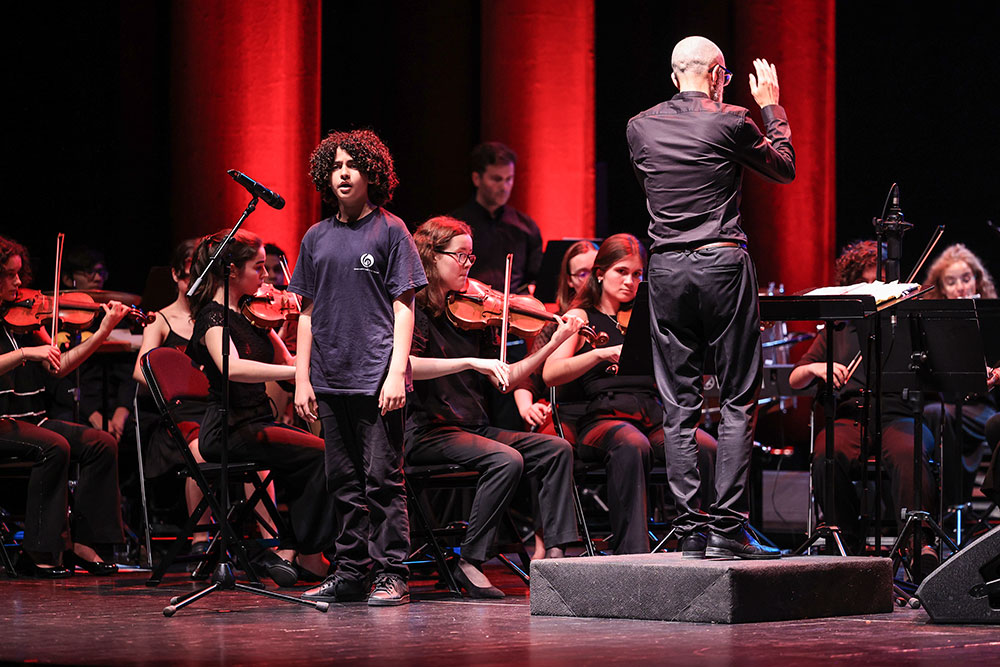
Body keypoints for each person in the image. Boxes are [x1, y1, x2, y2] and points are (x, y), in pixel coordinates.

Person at [627, 36, 795, 559]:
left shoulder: (639, 126)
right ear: (720, 74)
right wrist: (772, 107)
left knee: (678, 404)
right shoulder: (733, 119)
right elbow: (784, 167)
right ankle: (726, 529)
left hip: (666, 269)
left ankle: (690, 529)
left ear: (674, 75)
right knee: (738, 397)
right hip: (721, 264)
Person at [406, 215, 581, 597]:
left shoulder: (478, 314)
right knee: (506, 459)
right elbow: (407, 366)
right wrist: (469, 361)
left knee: (555, 448)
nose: (470, 266)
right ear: (431, 256)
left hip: (471, 427)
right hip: (424, 429)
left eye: (472, 257)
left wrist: (551, 343)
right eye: (461, 257)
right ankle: (469, 560)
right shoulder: (413, 309)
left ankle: (555, 556)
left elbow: (506, 379)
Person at [291, 129, 426, 607]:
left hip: (375, 374)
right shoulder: (315, 236)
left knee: (383, 480)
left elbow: (404, 305)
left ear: (372, 173)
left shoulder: (391, 230)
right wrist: (301, 378)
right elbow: (305, 312)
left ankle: (392, 572)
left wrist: (395, 372)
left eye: (352, 165)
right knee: (343, 481)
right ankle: (350, 571)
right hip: (329, 377)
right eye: (335, 166)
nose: (343, 173)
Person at [543, 234, 717, 554]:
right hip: (603, 418)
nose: (630, 281)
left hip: (651, 413)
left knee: (703, 445)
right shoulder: (581, 317)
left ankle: (702, 536)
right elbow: (551, 371)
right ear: (600, 273)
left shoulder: (648, 317)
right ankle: (632, 553)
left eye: (637, 274)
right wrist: (599, 354)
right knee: (631, 444)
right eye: (621, 272)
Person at [185, 229, 335, 587]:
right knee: (319, 455)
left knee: (323, 452)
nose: (267, 276)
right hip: (228, 430)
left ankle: (295, 550)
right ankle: (308, 554)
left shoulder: (254, 315)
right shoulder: (213, 316)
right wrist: (295, 371)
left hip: (258, 423)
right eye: (259, 267)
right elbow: (232, 368)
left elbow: (288, 366)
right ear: (232, 271)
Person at [789, 241, 938, 557]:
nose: (873, 291)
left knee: (909, 451)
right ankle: (844, 539)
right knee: (827, 453)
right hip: (850, 414)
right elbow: (795, 378)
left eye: (879, 283)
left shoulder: (905, 324)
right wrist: (818, 367)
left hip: (899, 412)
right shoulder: (838, 326)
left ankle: (917, 542)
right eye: (865, 283)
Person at [0, 235, 128, 577]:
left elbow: (60, 365)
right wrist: (25, 354)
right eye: (9, 276)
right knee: (53, 447)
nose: (18, 283)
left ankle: (87, 544)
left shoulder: (23, 317)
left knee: (102, 443)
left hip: (31, 421)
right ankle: (39, 551)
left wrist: (102, 331)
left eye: (18, 275)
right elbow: (26, 357)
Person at [922, 243, 998, 507]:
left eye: (966, 279)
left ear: (976, 280)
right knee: (935, 414)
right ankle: (942, 503)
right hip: (947, 405)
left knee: (937, 414)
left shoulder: (992, 318)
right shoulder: (931, 324)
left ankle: (949, 503)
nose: (961, 288)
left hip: (984, 407)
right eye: (951, 282)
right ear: (942, 288)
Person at [512, 240, 598, 431]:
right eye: (582, 273)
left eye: (594, 271)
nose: (590, 279)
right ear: (569, 280)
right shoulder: (557, 323)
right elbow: (529, 375)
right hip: (566, 412)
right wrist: (526, 407)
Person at [450, 142, 543, 296]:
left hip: (515, 312)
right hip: (467, 305)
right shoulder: (456, 225)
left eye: (509, 179)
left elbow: (533, 278)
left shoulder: (526, 227)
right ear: (476, 179)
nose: (504, 187)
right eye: (496, 179)